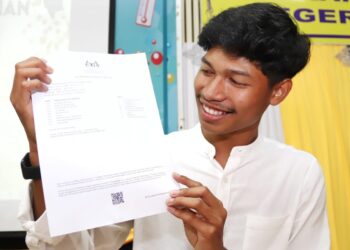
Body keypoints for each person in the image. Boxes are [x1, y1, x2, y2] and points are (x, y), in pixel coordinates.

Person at [11, 3, 330, 250]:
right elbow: (74, 246)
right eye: (207, 71)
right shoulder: (154, 154)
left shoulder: (299, 173)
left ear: (278, 91)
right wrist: (41, 149)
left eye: (235, 80)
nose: (212, 92)